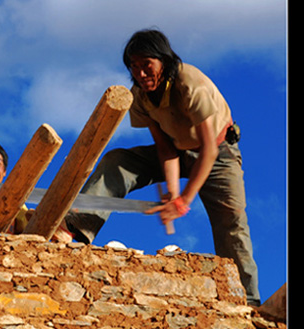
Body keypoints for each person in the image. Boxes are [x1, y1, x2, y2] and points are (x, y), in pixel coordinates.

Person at [64, 29, 260, 306]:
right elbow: (166, 150)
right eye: (134, 67)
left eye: (147, 66)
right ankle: (77, 229)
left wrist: (183, 201)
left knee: (232, 221)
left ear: (164, 62)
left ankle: (247, 300)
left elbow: (209, 150)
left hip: (217, 154)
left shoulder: (191, 84)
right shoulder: (140, 96)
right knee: (117, 162)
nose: (141, 74)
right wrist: (171, 191)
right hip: (178, 150)